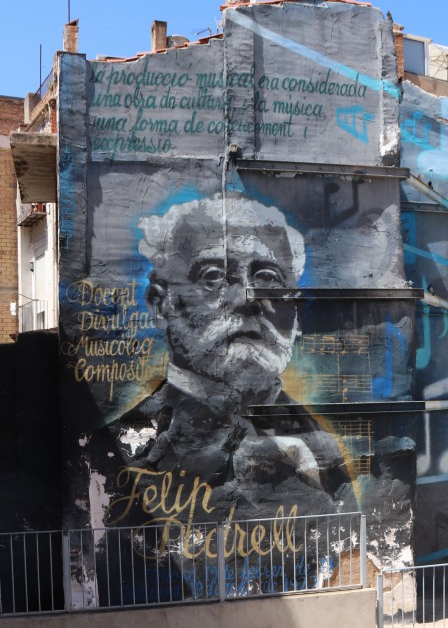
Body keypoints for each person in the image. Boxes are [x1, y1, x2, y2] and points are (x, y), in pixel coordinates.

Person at [104, 193, 357, 531]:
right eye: (213, 277)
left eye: (268, 278)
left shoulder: (321, 443)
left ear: (295, 316)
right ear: (161, 304)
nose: (246, 300)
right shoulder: (119, 448)